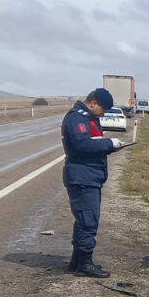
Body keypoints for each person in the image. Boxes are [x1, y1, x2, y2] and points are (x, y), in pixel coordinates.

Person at [61, 88, 128, 278]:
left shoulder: (88, 118)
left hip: (88, 175)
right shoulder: (77, 118)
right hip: (82, 176)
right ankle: (85, 263)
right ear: (94, 103)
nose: (104, 114)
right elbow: (82, 145)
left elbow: (91, 145)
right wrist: (108, 143)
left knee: (84, 220)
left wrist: (111, 147)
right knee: (88, 220)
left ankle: (77, 261)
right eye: (103, 109)